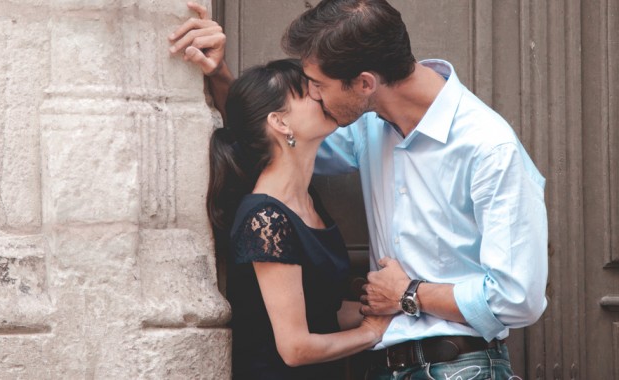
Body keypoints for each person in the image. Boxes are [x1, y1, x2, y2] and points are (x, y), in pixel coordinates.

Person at [170, 0, 548, 379]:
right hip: (379, 366)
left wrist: (410, 292)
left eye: (318, 85)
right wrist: (218, 72)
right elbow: (277, 138)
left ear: (365, 83)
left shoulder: (490, 149)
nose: (315, 96)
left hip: (460, 366)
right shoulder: (366, 128)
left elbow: (518, 300)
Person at [203, 56, 395, 378]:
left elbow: (323, 314)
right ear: (280, 123)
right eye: (309, 92)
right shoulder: (266, 219)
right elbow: (295, 348)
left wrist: (392, 307)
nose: (322, 96)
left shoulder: (308, 201)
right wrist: (372, 333)